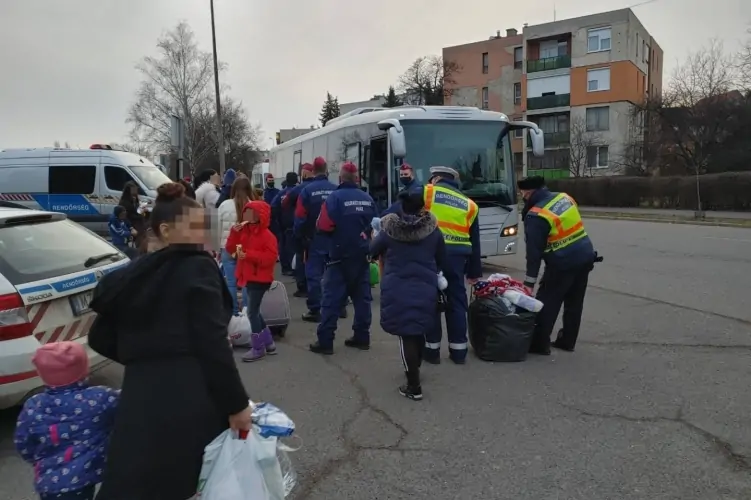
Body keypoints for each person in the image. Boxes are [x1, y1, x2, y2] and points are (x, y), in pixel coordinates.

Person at [87, 181, 252, 500]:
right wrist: (237, 405)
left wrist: (142, 357)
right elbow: (213, 345)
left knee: (134, 484)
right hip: (189, 398)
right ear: (165, 229)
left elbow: (100, 336)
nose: (202, 235)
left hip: (138, 399)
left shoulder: (133, 274)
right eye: (194, 227)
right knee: (188, 483)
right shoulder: (197, 267)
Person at [14, 341, 120, 500]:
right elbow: (131, 399)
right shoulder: (100, 397)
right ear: (84, 368)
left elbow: (23, 442)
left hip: (48, 482)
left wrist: (37, 459)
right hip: (83, 477)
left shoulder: (33, 405)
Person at [370, 191, 448, 400]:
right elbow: (442, 258)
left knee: (406, 334)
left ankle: (414, 385)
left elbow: (372, 250)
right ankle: (416, 367)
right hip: (425, 286)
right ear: (422, 207)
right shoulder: (433, 230)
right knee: (418, 329)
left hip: (397, 287)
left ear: (401, 208)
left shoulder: (389, 231)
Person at [518, 175, 596, 355]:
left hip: (562, 262)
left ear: (527, 193)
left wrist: (529, 283)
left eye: (522, 193)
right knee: (574, 302)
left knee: (547, 302)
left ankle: (539, 344)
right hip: (585, 255)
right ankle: (568, 341)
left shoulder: (537, 215)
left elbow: (534, 253)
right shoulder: (564, 197)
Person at [309, 162, 376, 354]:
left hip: (339, 257)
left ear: (340, 178)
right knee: (362, 299)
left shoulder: (334, 199)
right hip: (362, 256)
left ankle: (325, 341)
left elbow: (323, 226)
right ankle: (362, 337)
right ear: (356, 179)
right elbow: (375, 226)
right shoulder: (368, 199)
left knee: (331, 300)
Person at [421, 166, 482, 365]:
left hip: (431, 254)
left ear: (436, 178)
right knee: (456, 301)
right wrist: (474, 271)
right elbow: (475, 241)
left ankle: (432, 351)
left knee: (431, 300)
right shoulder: (470, 204)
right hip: (458, 257)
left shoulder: (427, 192)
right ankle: (459, 352)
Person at [225, 200, 279, 362]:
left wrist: (248, 255)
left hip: (260, 278)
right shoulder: (244, 232)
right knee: (254, 311)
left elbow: (270, 258)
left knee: (251, 312)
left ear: (259, 216)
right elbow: (231, 249)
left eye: (250, 212)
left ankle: (258, 347)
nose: (246, 215)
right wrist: (234, 233)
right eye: (245, 212)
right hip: (249, 276)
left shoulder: (267, 236)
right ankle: (268, 343)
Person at [294, 156, 337, 322]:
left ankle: (315, 309)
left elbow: (300, 216)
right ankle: (337, 306)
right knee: (334, 272)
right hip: (334, 238)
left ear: (313, 171)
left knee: (314, 274)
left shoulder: (306, 191)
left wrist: (299, 236)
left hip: (313, 238)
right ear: (326, 170)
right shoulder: (335, 189)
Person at [217, 176, 255, 315]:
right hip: (245, 248)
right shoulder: (253, 206)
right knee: (245, 281)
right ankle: (246, 310)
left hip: (227, 247)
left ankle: (233, 312)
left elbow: (218, 229)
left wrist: (218, 249)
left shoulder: (224, 205)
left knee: (231, 283)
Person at [284, 164, 314, 296]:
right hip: (321, 230)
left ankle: (303, 287)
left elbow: (284, 203)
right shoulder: (330, 188)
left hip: (302, 229)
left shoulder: (298, 189)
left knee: (301, 257)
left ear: (304, 174)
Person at [271, 172, 299, 276]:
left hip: (283, 225)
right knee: (295, 248)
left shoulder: (281, 193)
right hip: (296, 224)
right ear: (296, 180)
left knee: (283, 246)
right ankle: (294, 268)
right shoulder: (300, 191)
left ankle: (286, 268)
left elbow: (273, 207)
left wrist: (277, 219)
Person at [118, 181, 145, 248]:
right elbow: (127, 216)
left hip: (138, 224)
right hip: (130, 224)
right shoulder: (124, 202)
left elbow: (137, 210)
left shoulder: (135, 199)